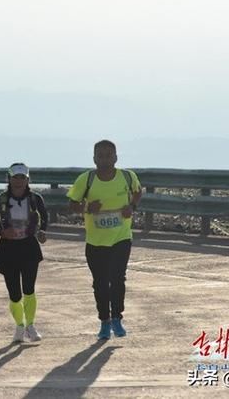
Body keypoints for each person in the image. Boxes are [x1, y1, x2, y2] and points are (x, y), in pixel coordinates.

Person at [66, 140, 142, 340]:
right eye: (101, 155)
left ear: (116, 157)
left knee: (118, 278)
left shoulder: (127, 176)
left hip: (121, 237)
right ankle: (104, 321)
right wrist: (86, 208)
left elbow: (138, 191)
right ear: (94, 158)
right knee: (100, 282)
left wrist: (132, 208)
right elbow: (72, 205)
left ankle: (117, 317)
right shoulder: (86, 179)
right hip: (96, 241)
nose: (105, 159)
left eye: (109, 155)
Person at [0, 163, 48, 343]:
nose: (19, 181)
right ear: (9, 178)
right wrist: (2, 232)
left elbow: (44, 217)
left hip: (29, 248)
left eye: (22, 178)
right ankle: (19, 326)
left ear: (28, 179)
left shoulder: (36, 199)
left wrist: (43, 231)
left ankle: (30, 326)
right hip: (8, 250)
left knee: (29, 289)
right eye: (15, 177)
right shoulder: (0, 200)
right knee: (14, 293)